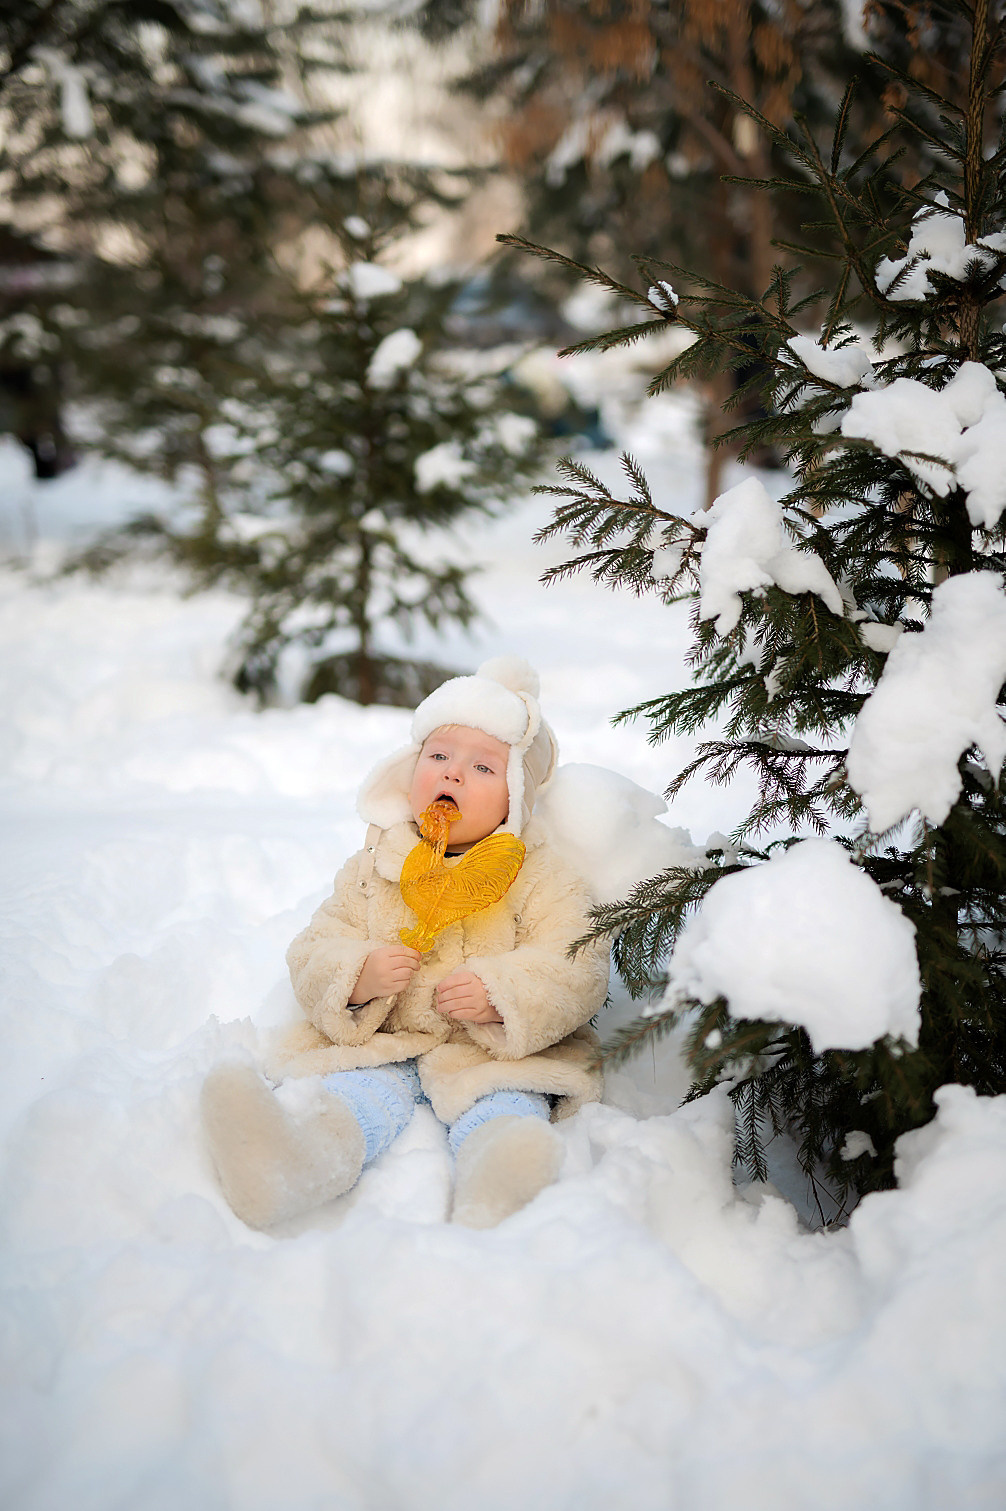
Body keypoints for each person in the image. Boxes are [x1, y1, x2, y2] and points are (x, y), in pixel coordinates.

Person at [201, 657, 610, 1231]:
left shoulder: (540, 876)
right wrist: (356, 976)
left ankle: (501, 1180)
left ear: (516, 795)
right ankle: (291, 1162)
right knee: (352, 1100)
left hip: (489, 1056)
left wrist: (502, 995)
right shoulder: (376, 867)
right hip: (386, 1047)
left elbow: (578, 959)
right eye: (438, 757)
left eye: (483, 768)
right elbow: (317, 945)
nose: (453, 775)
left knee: (506, 1107)